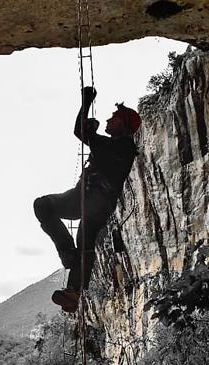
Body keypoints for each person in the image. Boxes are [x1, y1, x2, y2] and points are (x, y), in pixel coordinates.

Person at [33, 86, 141, 313]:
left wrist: (87, 110)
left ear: (122, 124)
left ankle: (74, 290)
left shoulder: (124, 146)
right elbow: (81, 132)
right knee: (43, 205)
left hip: (98, 201)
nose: (109, 119)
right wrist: (85, 104)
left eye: (114, 118)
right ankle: (67, 253)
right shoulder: (113, 145)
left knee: (85, 241)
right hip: (81, 195)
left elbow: (84, 133)